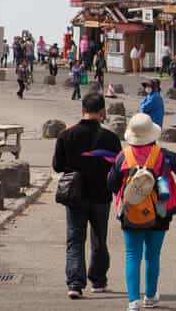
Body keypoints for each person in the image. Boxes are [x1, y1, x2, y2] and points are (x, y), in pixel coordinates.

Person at [108, 113, 176, 310]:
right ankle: (150, 295)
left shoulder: (123, 156)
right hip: (160, 210)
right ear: (152, 134)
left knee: (132, 254)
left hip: (130, 211)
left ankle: (132, 301)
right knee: (152, 255)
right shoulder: (162, 154)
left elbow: (111, 184)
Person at [52, 92, 122, 299]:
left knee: (75, 238)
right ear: (102, 112)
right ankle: (98, 280)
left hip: (75, 195)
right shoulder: (110, 138)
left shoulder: (66, 135)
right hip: (101, 195)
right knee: (99, 238)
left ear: (82, 110)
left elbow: (57, 166)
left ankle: (75, 283)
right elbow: (118, 167)